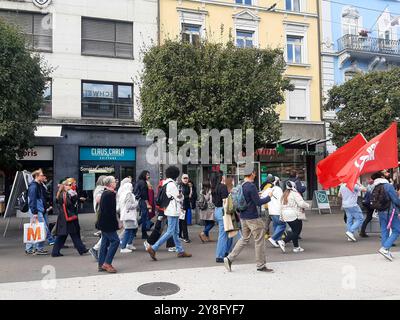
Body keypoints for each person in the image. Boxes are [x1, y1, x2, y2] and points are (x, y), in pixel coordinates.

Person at [223, 169, 273, 273]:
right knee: (259, 240)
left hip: (243, 217)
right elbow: (258, 203)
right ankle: (261, 265)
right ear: (252, 174)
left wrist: (257, 195)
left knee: (244, 239)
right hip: (253, 217)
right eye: (254, 173)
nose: (255, 175)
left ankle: (229, 258)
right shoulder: (251, 186)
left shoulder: (241, 185)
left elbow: (249, 198)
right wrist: (269, 197)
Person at [145, 166, 192, 260]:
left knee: (175, 232)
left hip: (170, 209)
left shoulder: (167, 183)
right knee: (171, 231)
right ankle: (154, 248)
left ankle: (180, 251)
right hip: (173, 210)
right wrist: (182, 196)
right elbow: (179, 197)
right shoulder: (172, 185)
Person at [51, 178, 89, 257]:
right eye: (70, 185)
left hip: (64, 217)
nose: (71, 186)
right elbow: (69, 204)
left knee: (63, 235)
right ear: (65, 186)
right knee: (72, 233)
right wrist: (74, 197)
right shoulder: (65, 194)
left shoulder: (63, 193)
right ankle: (81, 249)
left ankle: (55, 252)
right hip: (67, 217)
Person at [371, 171, 400, 261]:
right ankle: (385, 248)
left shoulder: (375, 187)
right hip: (391, 211)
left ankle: (386, 250)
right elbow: (395, 200)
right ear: (382, 177)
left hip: (381, 211)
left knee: (384, 230)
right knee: (397, 230)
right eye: (385, 174)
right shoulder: (388, 186)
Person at [25, 169, 53, 255]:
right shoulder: (34, 186)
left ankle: (30, 248)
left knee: (35, 228)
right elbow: (32, 200)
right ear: (36, 176)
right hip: (37, 211)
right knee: (42, 228)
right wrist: (35, 213)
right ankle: (38, 248)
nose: (43, 176)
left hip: (40, 210)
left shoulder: (38, 185)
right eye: (41, 175)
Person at [277, 180, 310, 253]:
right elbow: (301, 203)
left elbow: (281, 206)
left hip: (285, 215)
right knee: (297, 231)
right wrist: (308, 205)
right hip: (293, 214)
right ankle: (283, 241)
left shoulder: (284, 194)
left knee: (294, 230)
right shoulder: (295, 193)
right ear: (294, 186)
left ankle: (296, 247)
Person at [96, 176, 120, 273]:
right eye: (114, 181)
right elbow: (110, 212)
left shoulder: (105, 193)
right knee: (115, 241)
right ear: (110, 184)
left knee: (104, 243)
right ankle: (107, 263)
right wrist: (117, 223)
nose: (116, 183)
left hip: (103, 222)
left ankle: (101, 264)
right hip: (107, 223)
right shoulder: (110, 194)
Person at [145, 179, 176, 252]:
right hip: (165, 210)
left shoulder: (162, 187)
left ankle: (150, 242)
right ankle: (149, 242)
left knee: (164, 228)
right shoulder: (166, 187)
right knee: (165, 228)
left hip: (163, 210)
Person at [212, 171, 232, 263]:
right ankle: (220, 255)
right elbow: (225, 201)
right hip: (223, 210)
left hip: (217, 210)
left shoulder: (214, 188)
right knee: (223, 234)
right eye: (223, 176)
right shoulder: (223, 187)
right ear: (221, 177)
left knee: (227, 232)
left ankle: (225, 251)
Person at [89, 175, 107, 261]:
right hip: (102, 213)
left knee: (107, 234)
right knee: (108, 234)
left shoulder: (99, 188)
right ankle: (95, 249)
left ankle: (101, 250)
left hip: (101, 213)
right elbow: (100, 201)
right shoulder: (101, 189)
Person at [118, 177, 138, 253]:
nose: (132, 187)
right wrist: (136, 204)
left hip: (126, 214)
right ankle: (123, 247)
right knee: (128, 230)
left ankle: (129, 244)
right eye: (131, 186)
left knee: (132, 229)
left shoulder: (123, 193)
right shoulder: (128, 194)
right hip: (129, 215)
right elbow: (129, 206)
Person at [266, 177, 285, 248]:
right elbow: (282, 200)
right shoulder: (278, 189)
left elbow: (262, 196)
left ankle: (278, 240)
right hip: (277, 211)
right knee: (282, 225)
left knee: (276, 226)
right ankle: (273, 238)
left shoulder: (268, 189)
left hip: (271, 211)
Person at [134, 170, 151, 239]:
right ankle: (143, 234)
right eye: (147, 175)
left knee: (143, 218)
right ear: (144, 175)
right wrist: (147, 204)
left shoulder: (139, 181)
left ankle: (134, 231)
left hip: (141, 201)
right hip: (143, 201)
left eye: (149, 175)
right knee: (144, 218)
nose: (148, 176)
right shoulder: (143, 183)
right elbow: (144, 194)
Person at [179, 174, 192, 243]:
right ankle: (185, 237)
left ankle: (180, 235)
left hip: (185, 206)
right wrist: (188, 196)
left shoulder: (187, 186)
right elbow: (181, 197)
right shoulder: (181, 186)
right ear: (181, 179)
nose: (186, 179)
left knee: (181, 221)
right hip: (182, 206)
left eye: (187, 178)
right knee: (183, 222)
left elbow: (191, 195)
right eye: (184, 178)